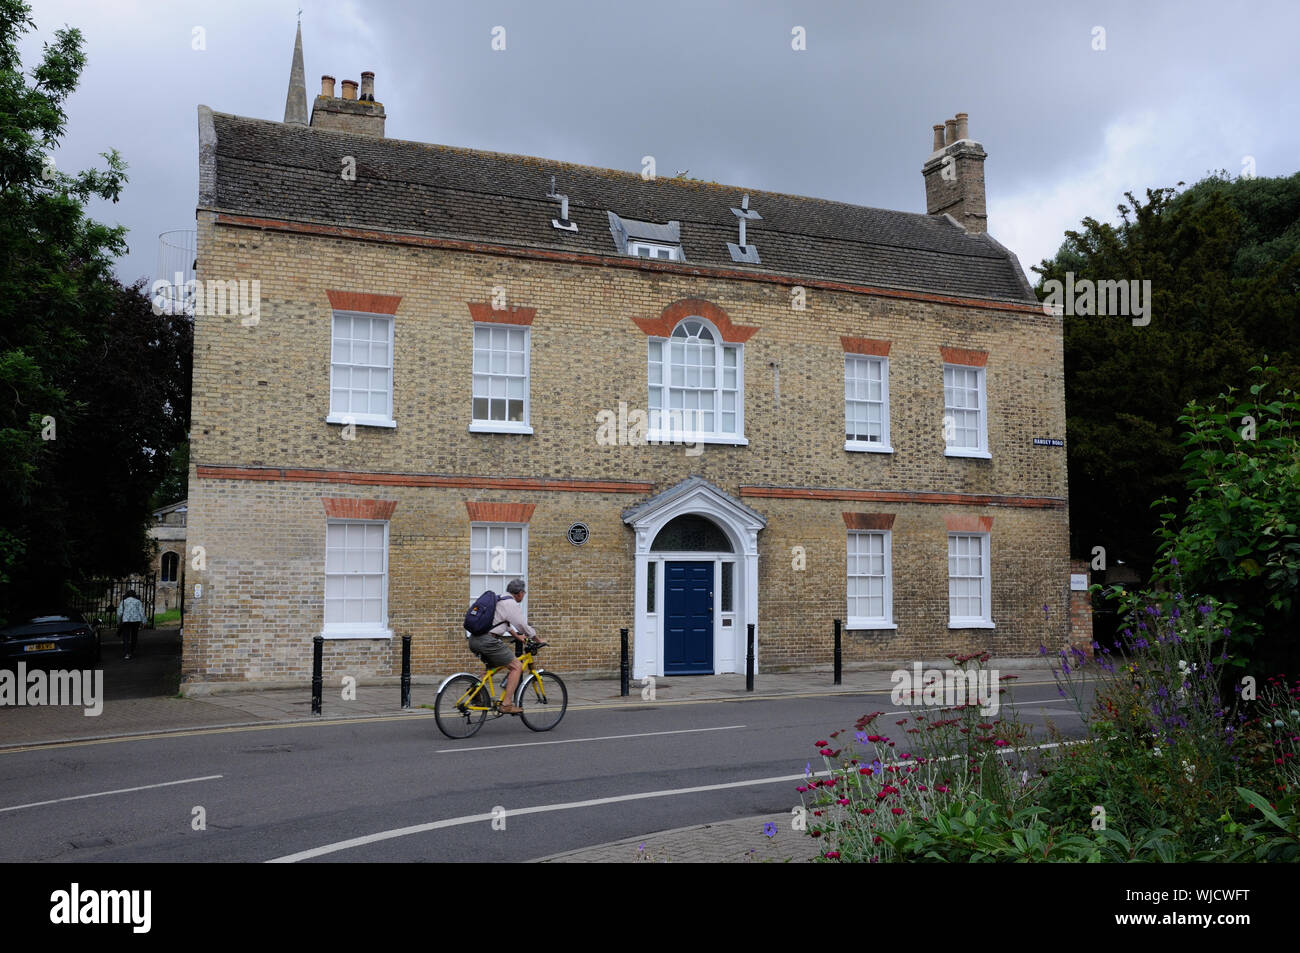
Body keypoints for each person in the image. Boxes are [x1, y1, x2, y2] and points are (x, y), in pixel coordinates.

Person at [467, 578, 545, 714]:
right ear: (520, 593)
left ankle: (475, 688)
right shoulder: (511, 604)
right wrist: (536, 638)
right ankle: (507, 704)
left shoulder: (499, 599)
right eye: (524, 593)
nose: (524, 595)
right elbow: (522, 625)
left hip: (475, 640)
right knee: (517, 666)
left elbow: (502, 623)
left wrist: (517, 636)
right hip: (488, 641)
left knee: (493, 668)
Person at [117, 590, 146, 660]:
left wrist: (118, 622)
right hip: (136, 621)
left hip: (126, 621)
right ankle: (132, 650)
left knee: (126, 637)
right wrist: (144, 621)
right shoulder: (138, 601)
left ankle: (127, 653)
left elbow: (119, 613)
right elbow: (141, 612)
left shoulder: (124, 601)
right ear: (134, 595)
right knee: (134, 636)